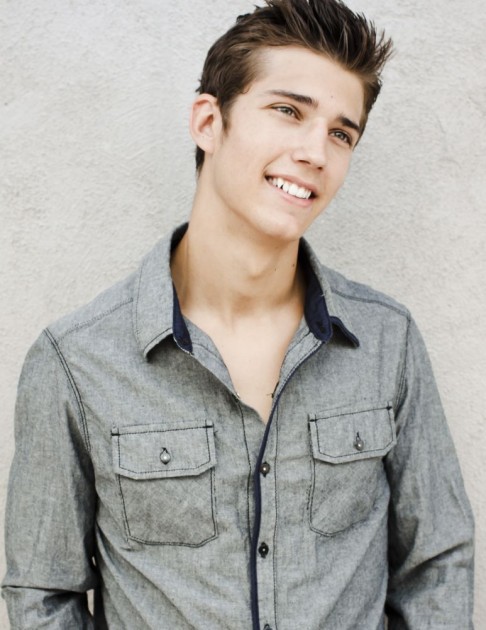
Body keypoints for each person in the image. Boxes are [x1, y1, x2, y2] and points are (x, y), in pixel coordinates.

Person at [2, 0, 474, 628]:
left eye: (341, 133)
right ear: (208, 121)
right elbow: (43, 594)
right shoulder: (76, 361)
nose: (316, 151)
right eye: (288, 111)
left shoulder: (388, 340)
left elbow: (436, 566)